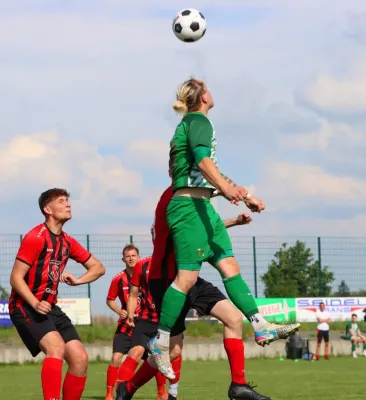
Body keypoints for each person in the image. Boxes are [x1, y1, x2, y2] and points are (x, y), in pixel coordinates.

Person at [148, 78, 300, 379]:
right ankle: (160, 342)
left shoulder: (193, 123)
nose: (212, 92)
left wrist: (246, 196)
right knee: (187, 278)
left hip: (203, 206)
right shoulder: (198, 121)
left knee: (229, 265)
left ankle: (260, 326)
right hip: (189, 206)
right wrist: (228, 191)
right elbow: (205, 164)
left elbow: (209, 169)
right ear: (203, 96)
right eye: (209, 88)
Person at [118, 209, 271, 400]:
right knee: (173, 352)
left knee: (233, 318)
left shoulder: (182, 213)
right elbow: (201, 232)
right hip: (172, 286)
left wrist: (235, 221)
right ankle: (129, 387)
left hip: (194, 283)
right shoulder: (169, 221)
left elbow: (203, 230)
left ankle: (238, 384)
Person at [9, 188, 105, 400]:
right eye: (61, 201)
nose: (68, 204)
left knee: (80, 358)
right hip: (25, 304)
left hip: (50, 307)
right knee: (56, 348)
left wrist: (79, 280)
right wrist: (34, 303)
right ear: (48, 209)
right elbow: (15, 278)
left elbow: (98, 267)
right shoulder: (35, 237)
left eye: (67, 200)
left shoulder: (67, 241)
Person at [105, 245, 167, 400]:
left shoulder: (148, 274)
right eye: (128, 256)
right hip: (127, 325)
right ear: (123, 259)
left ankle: (161, 393)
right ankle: (110, 394)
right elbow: (110, 299)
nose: (131, 258)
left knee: (157, 357)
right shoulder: (118, 279)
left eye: (134, 255)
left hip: (146, 322)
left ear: (139, 257)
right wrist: (120, 311)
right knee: (116, 358)